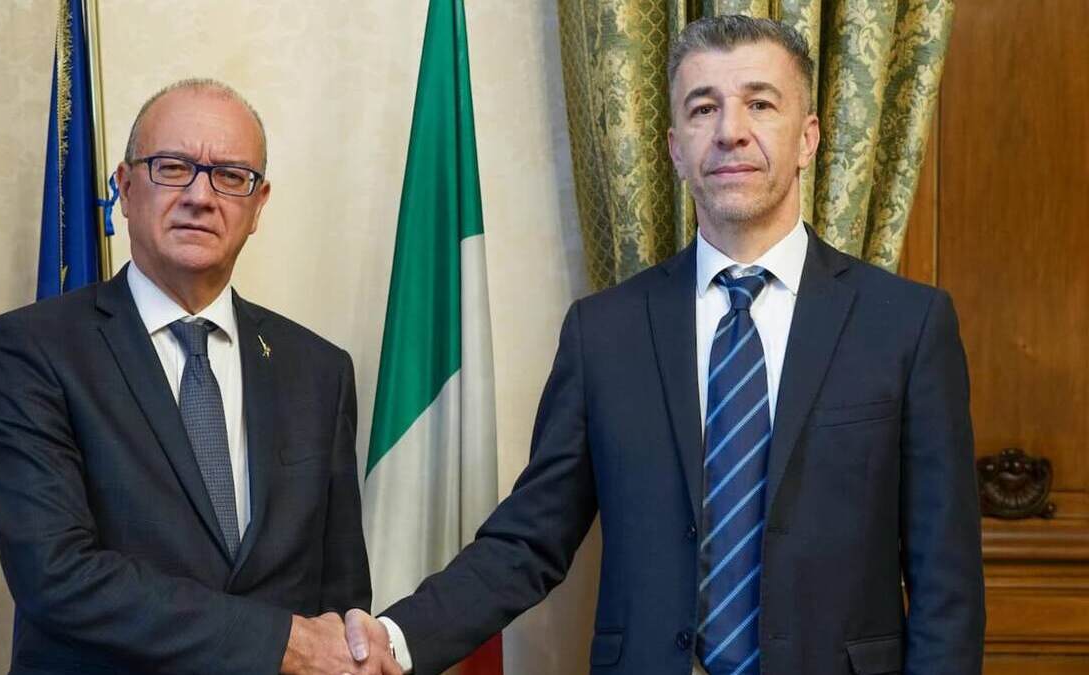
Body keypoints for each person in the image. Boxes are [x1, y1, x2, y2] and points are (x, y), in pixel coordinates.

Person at [345, 15, 985, 675]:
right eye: (704, 108)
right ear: (676, 149)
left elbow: (946, 583)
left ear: (808, 138)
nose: (731, 130)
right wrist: (396, 638)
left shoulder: (906, 325)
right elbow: (528, 539)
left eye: (761, 104)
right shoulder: (604, 333)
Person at [0, 79, 373, 675]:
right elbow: (55, 575)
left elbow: (339, 595)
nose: (200, 196)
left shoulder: (320, 369)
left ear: (258, 205)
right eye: (173, 167)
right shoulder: (31, 350)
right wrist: (279, 643)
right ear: (125, 187)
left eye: (230, 175)